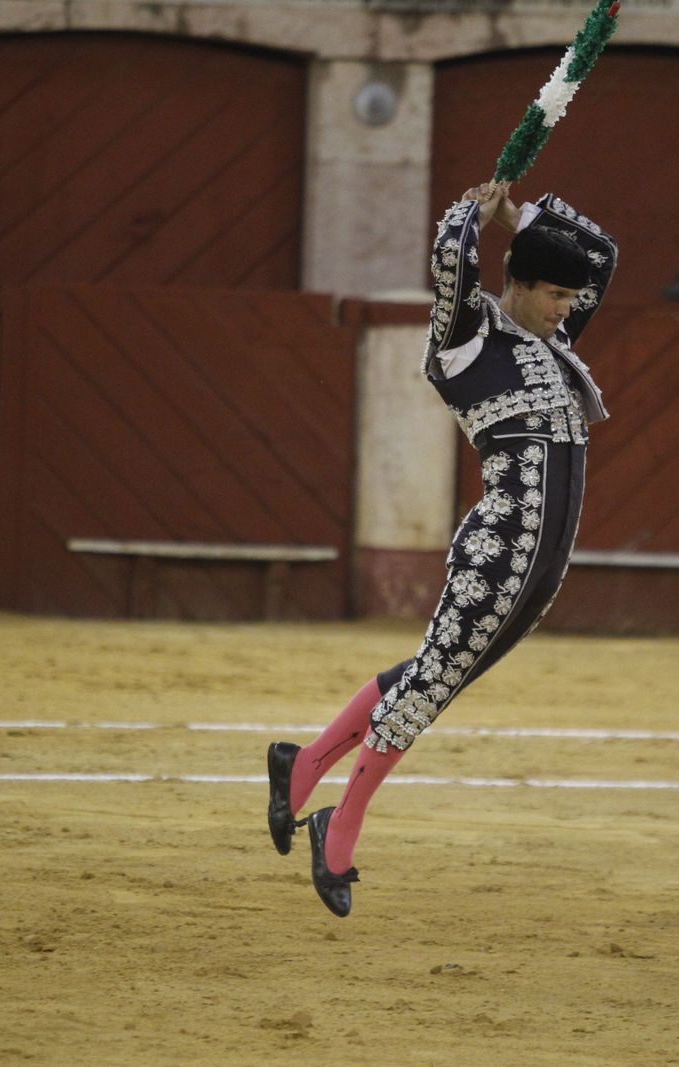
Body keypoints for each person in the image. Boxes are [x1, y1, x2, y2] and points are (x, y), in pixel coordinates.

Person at [264, 179, 617, 917]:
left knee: (432, 672)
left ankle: (302, 767)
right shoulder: (465, 339)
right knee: (429, 686)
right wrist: (472, 213)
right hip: (500, 550)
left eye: (568, 297)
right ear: (517, 283)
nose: (567, 308)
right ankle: (338, 827)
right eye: (554, 294)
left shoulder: (551, 337)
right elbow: (453, 258)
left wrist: (526, 216)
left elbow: (603, 256)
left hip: (544, 562)